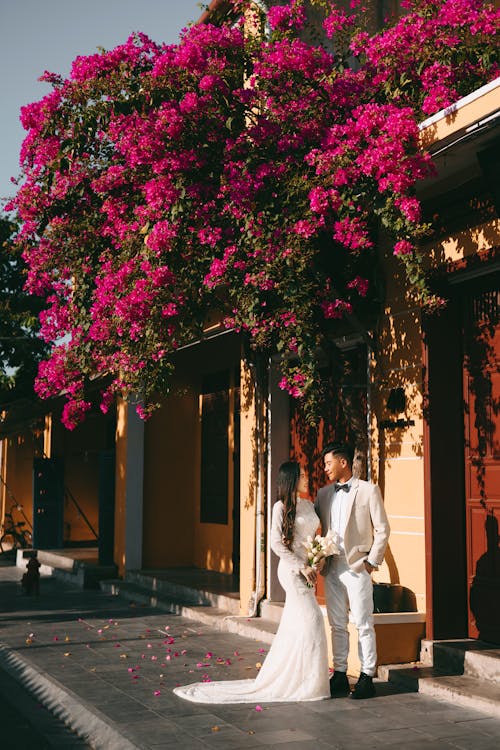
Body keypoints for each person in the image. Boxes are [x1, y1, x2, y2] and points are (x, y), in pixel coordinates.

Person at [173, 460, 330, 703]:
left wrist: (317, 559)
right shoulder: (280, 508)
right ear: (290, 480)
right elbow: (276, 543)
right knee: (313, 619)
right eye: (301, 475)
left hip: (308, 570)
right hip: (292, 571)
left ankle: (301, 678)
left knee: (298, 624)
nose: (306, 477)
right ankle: (306, 682)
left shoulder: (309, 505)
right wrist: (301, 566)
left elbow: (315, 538)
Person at [315, 442, 390, 700]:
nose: (325, 468)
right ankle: (340, 674)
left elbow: (382, 529)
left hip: (357, 567)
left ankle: (367, 675)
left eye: (328, 463)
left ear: (343, 462)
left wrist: (371, 561)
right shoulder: (323, 494)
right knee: (336, 623)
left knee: (363, 622)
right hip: (332, 567)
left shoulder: (368, 490)